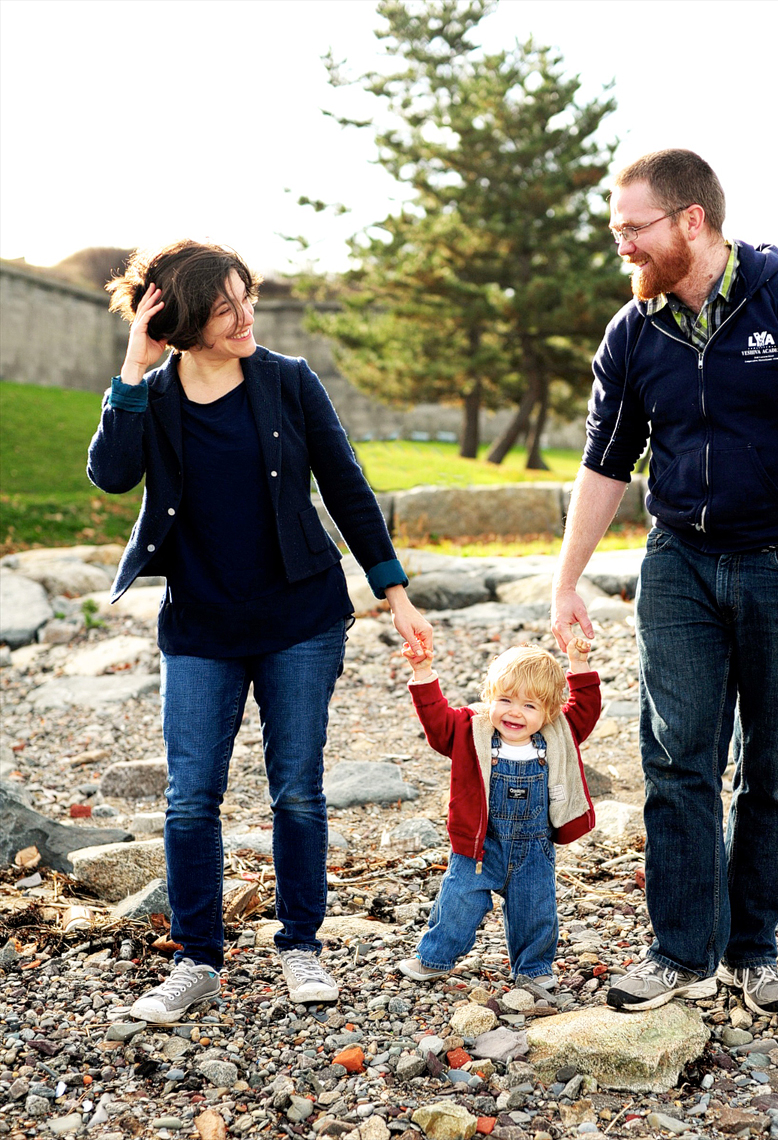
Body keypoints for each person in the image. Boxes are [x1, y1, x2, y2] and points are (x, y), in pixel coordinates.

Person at [550, 150, 778, 1015]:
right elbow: (605, 464)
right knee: (676, 762)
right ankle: (680, 952)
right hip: (680, 567)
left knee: (771, 774)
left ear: (690, 221)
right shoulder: (633, 333)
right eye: (617, 228)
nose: (621, 244)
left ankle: (752, 949)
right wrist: (566, 581)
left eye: (634, 228)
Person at [87, 240, 433, 1023]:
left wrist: (395, 591)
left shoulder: (287, 380)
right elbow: (111, 474)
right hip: (201, 625)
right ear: (180, 320)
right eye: (224, 308)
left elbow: (346, 483)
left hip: (300, 619)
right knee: (189, 801)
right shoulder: (155, 394)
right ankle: (197, 960)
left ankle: (300, 945)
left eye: (247, 298)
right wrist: (133, 368)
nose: (247, 317)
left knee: (298, 792)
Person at [397, 639, 600, 988]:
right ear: (489, 697)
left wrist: (579, 663)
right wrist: (423, 672)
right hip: (480, 846)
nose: (514, 713)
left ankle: (534, 969)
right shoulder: (469, 731)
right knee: (458, 901)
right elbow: (436, 721)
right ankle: (434, 957)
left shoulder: (558, 735)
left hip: (534, 847)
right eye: (504, 700)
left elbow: (586, 709)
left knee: (535, 910)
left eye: (529, 705)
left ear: (549, 712)